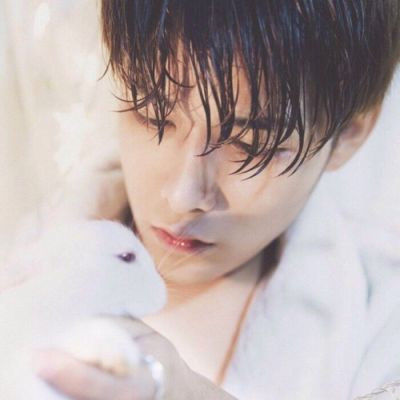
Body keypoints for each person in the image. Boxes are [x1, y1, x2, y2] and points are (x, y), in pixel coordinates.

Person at [10, 1, 400, 399]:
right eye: (153, 114)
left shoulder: (382, 325)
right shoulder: (30, 248)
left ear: (349, 135)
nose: (183, 195)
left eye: (250, 145)